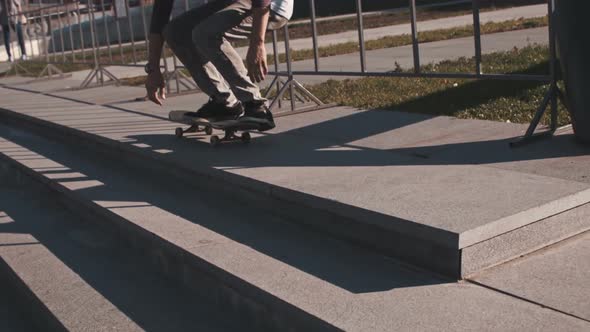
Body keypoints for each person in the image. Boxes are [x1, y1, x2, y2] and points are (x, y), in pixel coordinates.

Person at [145, 0, 293, 130]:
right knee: (175, 31)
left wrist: (257, 43)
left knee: (205, 33)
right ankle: (224, 103)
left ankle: (255, 105)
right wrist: (153, 69)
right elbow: (160, 15)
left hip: (270, 6)